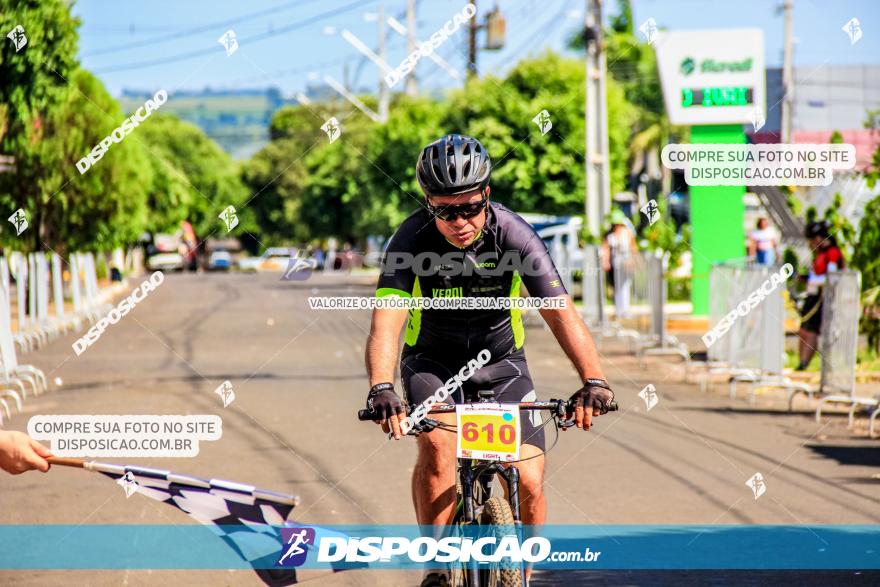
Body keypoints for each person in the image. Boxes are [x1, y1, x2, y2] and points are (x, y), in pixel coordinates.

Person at [363, 134, 613, 587]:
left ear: (487, 197)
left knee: (531, 480)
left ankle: (521, 572)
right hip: (432, 363)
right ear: (427, 204)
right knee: (438, 448)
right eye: (445, 210)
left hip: (502, 364)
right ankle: (437, 565)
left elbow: (560, 312)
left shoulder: (515, 235)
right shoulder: (410, 238)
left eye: (470, 208)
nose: (459, 221)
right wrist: (382, 387)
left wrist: (594, 379)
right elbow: (387, 321)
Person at [797, 220, 845, 370]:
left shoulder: (832, 252)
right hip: (813, 295)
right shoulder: (821, 254)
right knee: (804, 328)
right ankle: (801, 362)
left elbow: (831, 277)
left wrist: (809, 280)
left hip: (823, 298)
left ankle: (804, 363)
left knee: (811, 329)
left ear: (818, 239)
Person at [601, 209, 638, 319]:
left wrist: (633, 260)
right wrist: (605, 262)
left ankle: (625, 310)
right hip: (615, 265)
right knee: (616, 287)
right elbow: (605, 249)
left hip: (626, 263)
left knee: (625, 286)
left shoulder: (628, 233)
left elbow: (633, 247)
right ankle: (618, 310)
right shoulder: (609, 235)